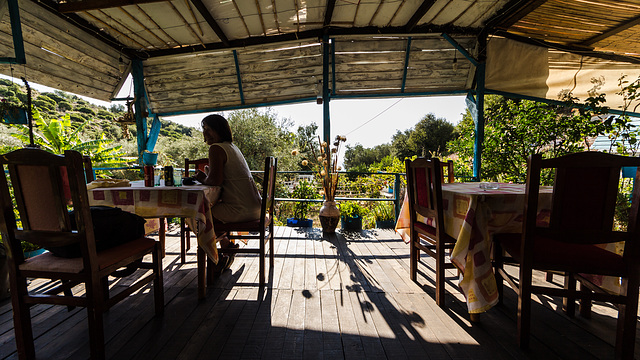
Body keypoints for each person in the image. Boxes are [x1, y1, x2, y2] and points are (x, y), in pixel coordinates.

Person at [194, 114, 262, 271]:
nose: (205, 133)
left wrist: (201, 177)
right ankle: (226, 247)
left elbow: (215, 181)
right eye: (203, 129)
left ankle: (215, 260)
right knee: (207, 214)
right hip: (256, 207)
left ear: (219, 130)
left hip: (240, 210)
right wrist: (206, 178)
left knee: (201, 215)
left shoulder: (216, 148)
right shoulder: (232, 147)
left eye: (208, 129)